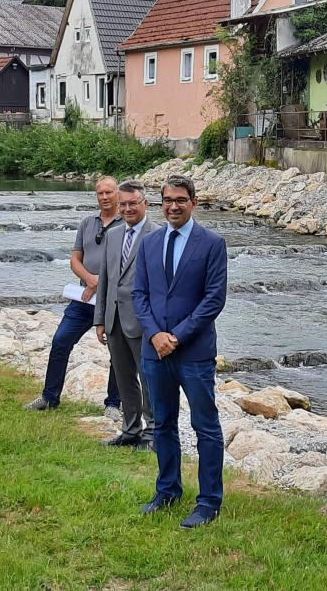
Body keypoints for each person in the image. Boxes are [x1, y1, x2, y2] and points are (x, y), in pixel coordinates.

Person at [133, 174, 228, 528]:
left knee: (205, 426)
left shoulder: (212, 243)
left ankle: (208, 501)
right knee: (162, 425)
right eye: (168, 200)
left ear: (194, 203)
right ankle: (168, 490)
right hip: (154, 351)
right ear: (162, 203)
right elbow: (139, 295)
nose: (173, 206)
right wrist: (156, 334)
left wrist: (177, 336)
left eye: (180, 200)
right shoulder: (150, 242)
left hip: (194, 353)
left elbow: (213, 300)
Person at [24, 176, 123, 415]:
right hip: (84, 298)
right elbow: (75, 259)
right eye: (100, 193)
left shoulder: (127, 224)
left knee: (118, 352)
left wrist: (103, 283)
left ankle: (113, 403)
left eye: (109, 192)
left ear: (118, 193)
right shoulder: (87, 223)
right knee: (60, 341)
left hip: (114, 301)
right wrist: (90, 279)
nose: (105, 197)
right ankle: (49, 397)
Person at [94, 180, 161, 451]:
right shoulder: (112, 234)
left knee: (148, 378)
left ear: (145, 203)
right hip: (114, 319)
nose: (128, 208)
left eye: (134, 203)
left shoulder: (158, 235)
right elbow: (106, 281)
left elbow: (161, 285)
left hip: (143, 322)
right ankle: (130, 430)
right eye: (123, 204)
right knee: (123, 378)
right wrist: (100, 318)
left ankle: (153, 432)